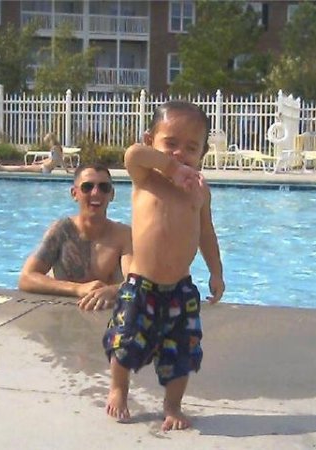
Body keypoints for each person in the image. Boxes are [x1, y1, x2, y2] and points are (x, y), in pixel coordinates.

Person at [103, 100, 225, 431]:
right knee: (125, 340)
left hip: (180, 290)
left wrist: (216, 271)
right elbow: (132, 155)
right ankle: (119, 387)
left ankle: (172, 405)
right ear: (150, 140)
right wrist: (171, 168)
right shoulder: (146, 177)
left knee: (182, 351)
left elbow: (207, 234)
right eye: (170, 144)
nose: (179, 154)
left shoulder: (199, 191)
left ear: (202, 152)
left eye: (190, 147)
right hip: (140, 284)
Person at [19, 163, 132, 311]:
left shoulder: (123, 235)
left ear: (111, 194)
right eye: (87, 187)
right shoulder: (62, 231)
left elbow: (137, 282)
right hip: (65, 319)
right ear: (74, 193)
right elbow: (26, 278)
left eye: (104, 187)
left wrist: (113, 291)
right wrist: (77, 289)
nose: (96, 193)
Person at [0, 132, 70, 174]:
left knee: (22, 168)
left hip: (45, 169)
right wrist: (39, 162)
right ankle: (3, 168)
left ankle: (3, 168)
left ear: (50, 140)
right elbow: (51, 159)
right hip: (44, 167)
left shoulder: (55, 148)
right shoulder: (55, 148)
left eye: (47, 142)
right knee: (23, 167)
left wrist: (67, 171)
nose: (47, 144)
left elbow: (60, 160)